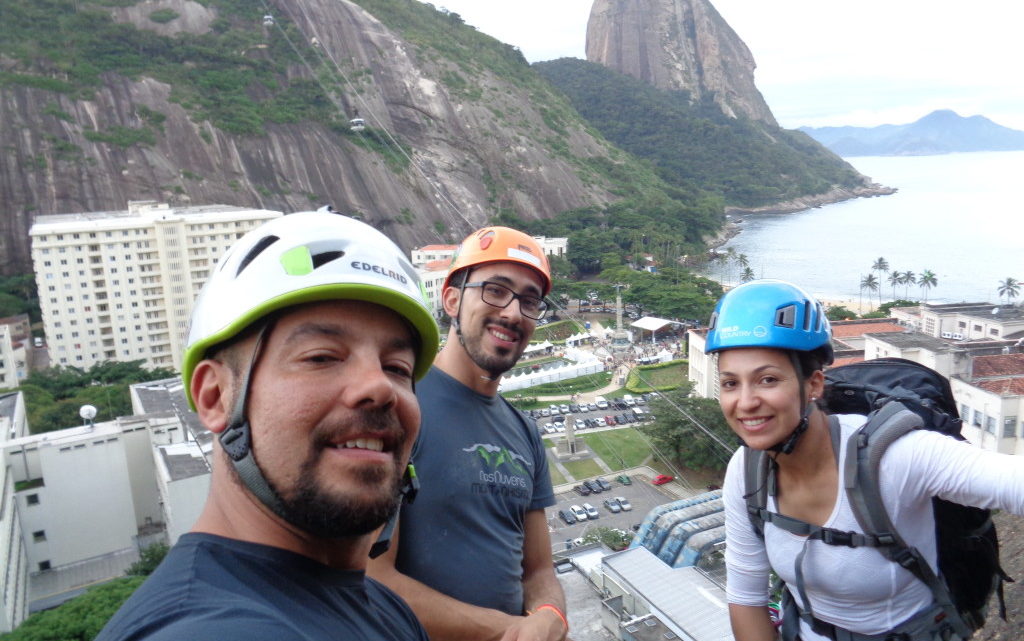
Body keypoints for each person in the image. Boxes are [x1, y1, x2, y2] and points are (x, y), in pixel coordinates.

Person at [97, 209, 441, 641]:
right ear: (216, 397)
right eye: (321, 357)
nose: (379, 387)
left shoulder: (386, 609)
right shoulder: (206, 630)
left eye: (396, 366)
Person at [705, 279, 1024, 641]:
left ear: (813, 385)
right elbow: (746, 595)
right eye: (731, 383)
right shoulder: (746, 472)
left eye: (767, 379)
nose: (745, 402)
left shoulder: (894, 456)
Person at [368, 227, 568, 641]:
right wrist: (509, 631)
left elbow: (539, 570)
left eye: (529, 301)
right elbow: (372, 577)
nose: (513, 313)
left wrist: (550, 616)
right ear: (452, 300)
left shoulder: (524, 432)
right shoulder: (402, 407)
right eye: (495, 290)